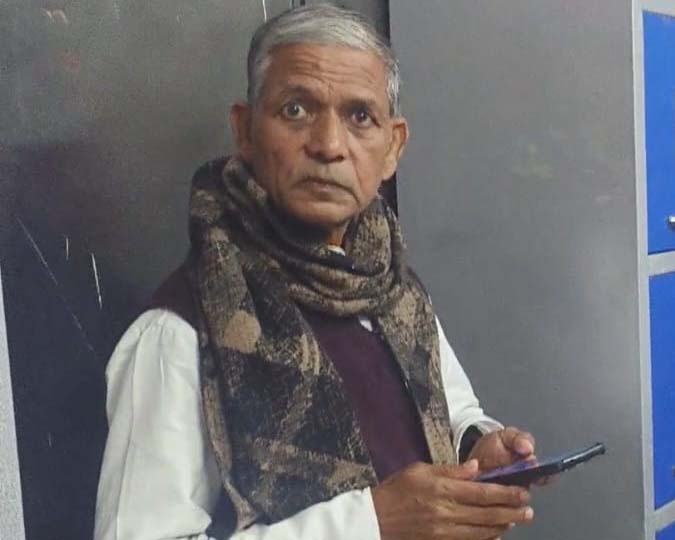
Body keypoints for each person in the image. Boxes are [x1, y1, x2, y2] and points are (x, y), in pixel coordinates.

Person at [94, 5, 540, 540]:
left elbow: (449, 408)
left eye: (360, 117)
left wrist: (477, 449)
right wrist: (371, 523)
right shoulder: (180, 332)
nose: (328, 145)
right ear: (245, 130)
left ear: (393, 147)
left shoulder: (392, 290)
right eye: (296, 109)